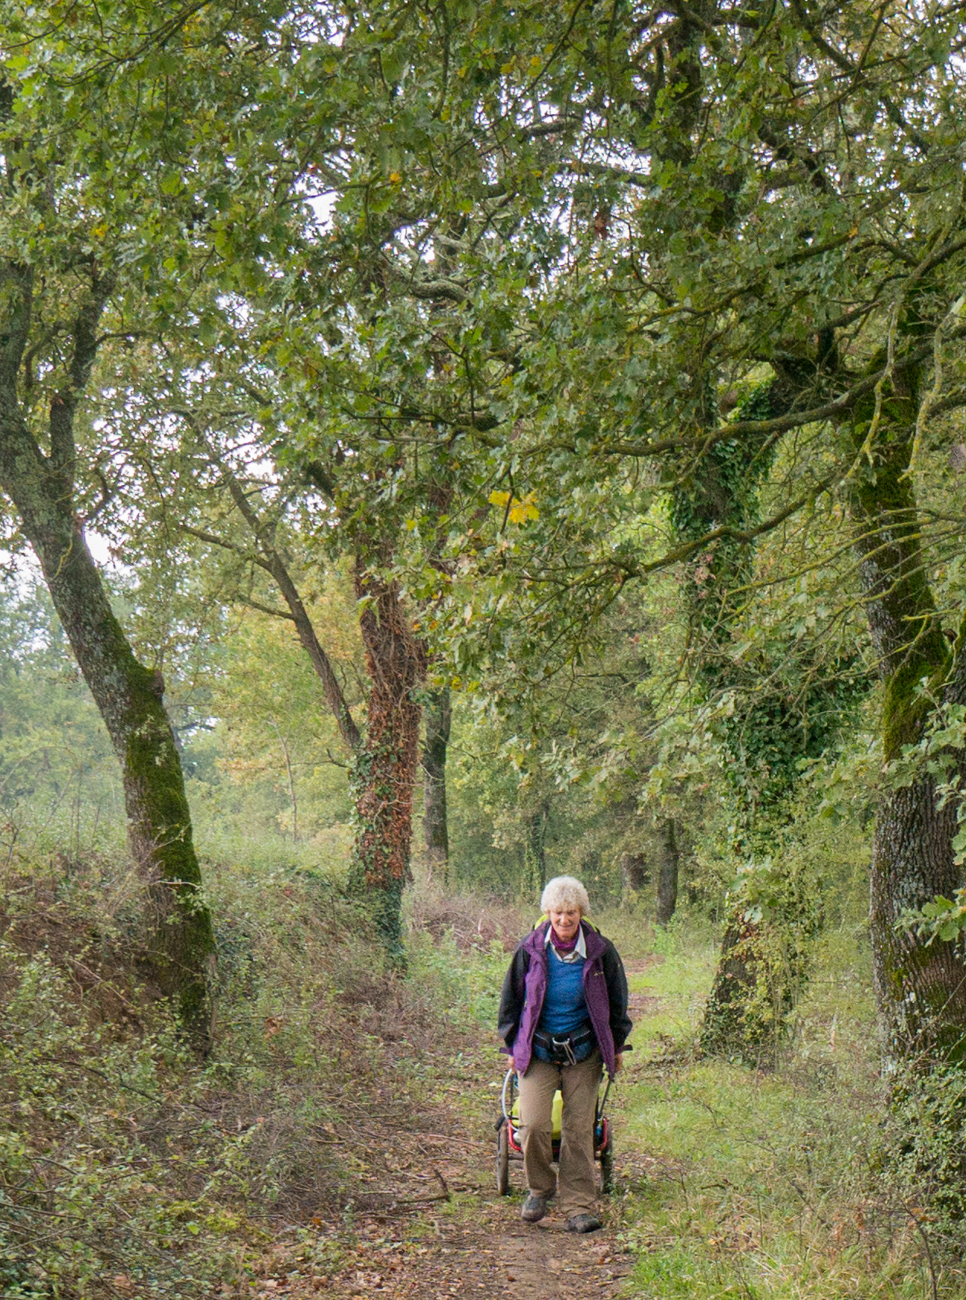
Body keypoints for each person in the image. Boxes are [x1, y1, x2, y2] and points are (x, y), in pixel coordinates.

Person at [497, 875, 632, 1233]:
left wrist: (615, 1046)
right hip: (538, 1050)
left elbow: (618, 1002)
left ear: (581, 912)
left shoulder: (601, 950)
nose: (563, 920)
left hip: (584, 1050)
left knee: (577, 1129)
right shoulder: (531, 949)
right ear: (547, 913)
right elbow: (510, 1000)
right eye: (557, 913)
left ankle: (579, 1206)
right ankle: (539, 1190)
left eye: (570, 913)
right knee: (536, 1124)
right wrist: (511, 1045)